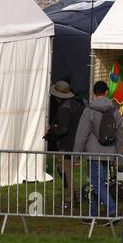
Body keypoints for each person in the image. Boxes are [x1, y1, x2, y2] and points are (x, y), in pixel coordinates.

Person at [73, 80, 121, 221]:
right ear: (107, 92)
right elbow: (119, 136)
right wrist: (119, 156)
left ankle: (112, 209)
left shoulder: (89, 111)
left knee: (96, 183)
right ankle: (92, 214)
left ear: (94, 93)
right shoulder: (115, 111)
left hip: (94, 153)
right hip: (110, 152)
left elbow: (82, 135)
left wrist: (76, 156)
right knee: (98, 183)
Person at [45, 80, 85, 211]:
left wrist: (52, 130)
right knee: (66, 173)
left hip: (66, 145)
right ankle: (75, 198)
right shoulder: (75, 104)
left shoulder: (64, 109)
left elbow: (64, 129)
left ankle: (69, 201)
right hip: (74, 143)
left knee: (65, 173)